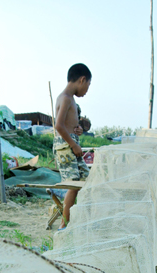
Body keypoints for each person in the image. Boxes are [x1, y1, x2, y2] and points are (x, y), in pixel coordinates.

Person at [54, 63, 92, 229]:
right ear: (82, 80)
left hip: (72, 143)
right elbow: (59, 126)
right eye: (88, 85)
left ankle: (77, 219)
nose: (87, 90)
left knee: (86, 180)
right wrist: (73, 144)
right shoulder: (65, 98)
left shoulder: (71, 101)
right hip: (65, 147)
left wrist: (77, 130)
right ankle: (64, 224)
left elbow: (68, 125)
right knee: (73, 184)